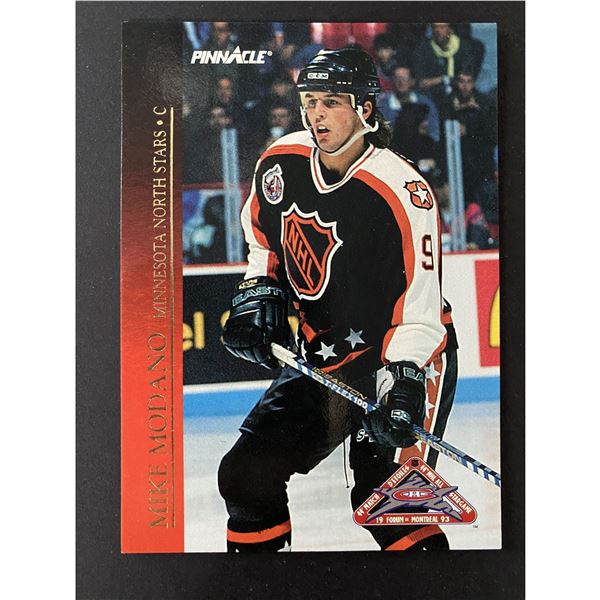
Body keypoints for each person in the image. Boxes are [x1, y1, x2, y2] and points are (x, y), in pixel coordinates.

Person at [218, 48, 458, 552]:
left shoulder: (402, 189)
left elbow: (419, 305)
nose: (316, 114)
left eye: (331, 101)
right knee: (245, 476)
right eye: (310, 101)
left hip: (401, 356)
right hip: (324, 356)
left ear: (364, 108)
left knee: (386, 502)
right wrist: (259, 291)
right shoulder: (281, 161)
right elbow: (263, 242)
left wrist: (403, 379)